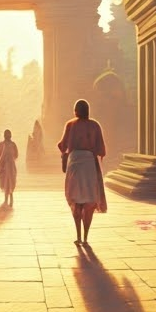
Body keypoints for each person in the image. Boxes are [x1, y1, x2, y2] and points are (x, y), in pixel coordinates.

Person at [57, 98, 107, 245]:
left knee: (76, 201)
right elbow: (101, 150)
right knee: (89, 202)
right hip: (89, 164)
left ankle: (78, 236)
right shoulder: (95, 125)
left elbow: (62, 146)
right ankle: (85, 238)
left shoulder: (70, 124)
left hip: (74, 163)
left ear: (75, 111)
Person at [0, 128, 18, 207]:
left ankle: (8, 199)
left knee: (8, 182)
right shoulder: (9, 144)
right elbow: (16, 155)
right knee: (8, 182)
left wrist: (4, 160)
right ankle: (8, 199)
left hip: (8, 166)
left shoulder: (7, 144)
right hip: (6, 166)